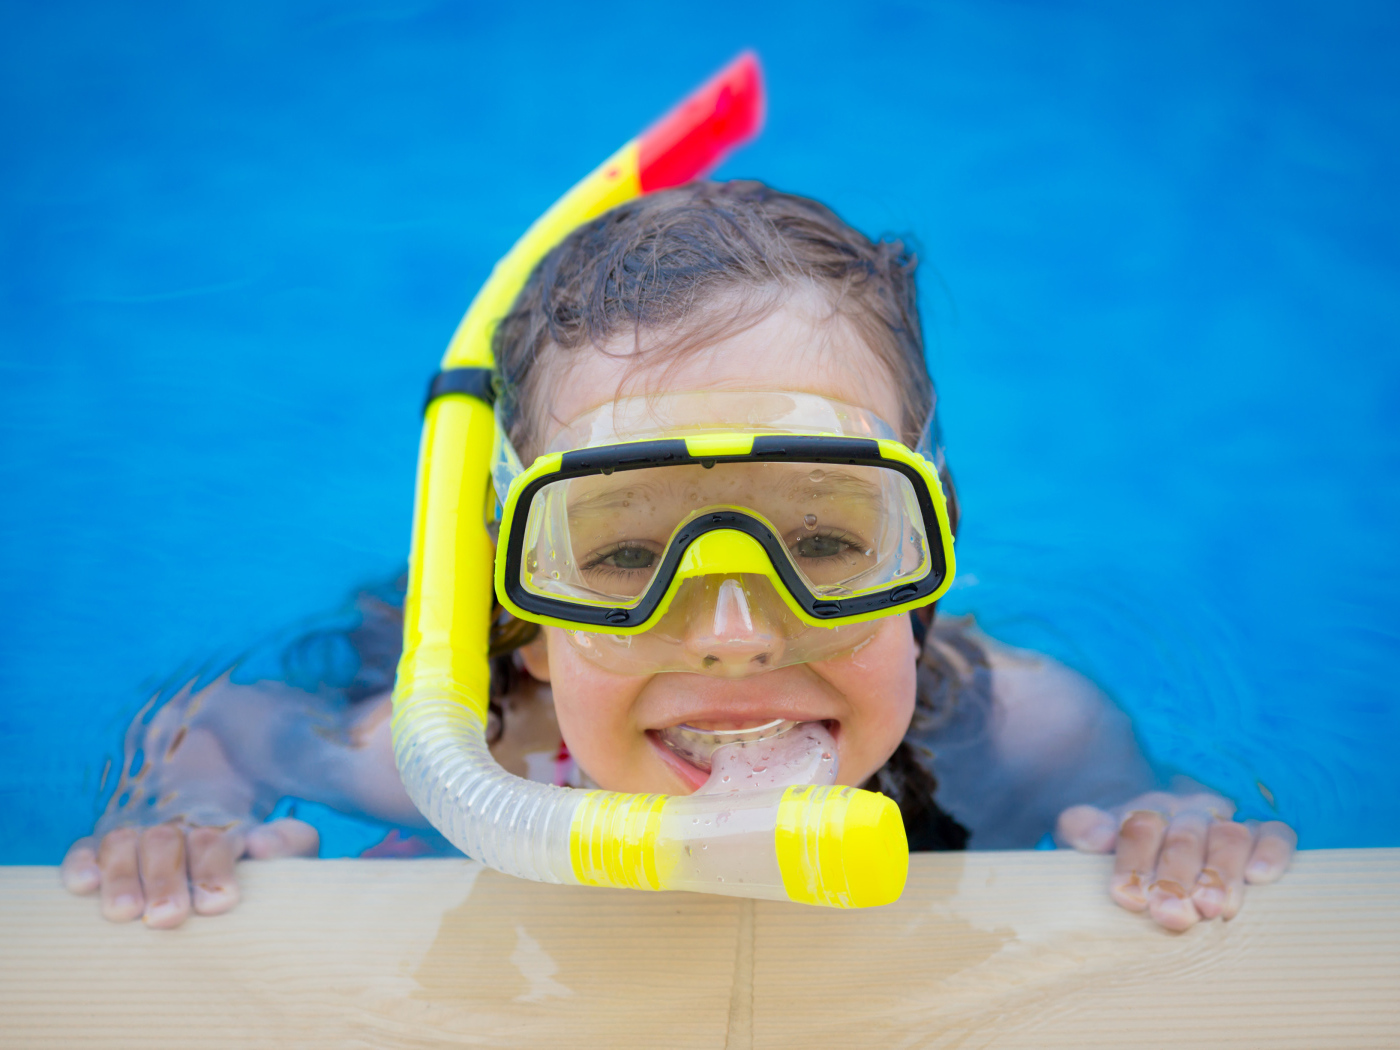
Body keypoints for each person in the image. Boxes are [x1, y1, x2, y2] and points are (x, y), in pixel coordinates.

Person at [60, 180, 1296, 932]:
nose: (733, 627)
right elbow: (219, 727)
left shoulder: (1021, 734)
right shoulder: (468, 753)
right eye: (620, 552)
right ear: (525, 619)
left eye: (822, 535)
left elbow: (1152, 810)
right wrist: (182, 816)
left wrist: (1167, 827)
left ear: (929, 555)